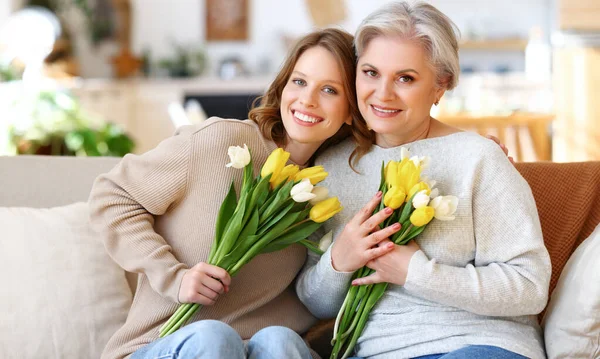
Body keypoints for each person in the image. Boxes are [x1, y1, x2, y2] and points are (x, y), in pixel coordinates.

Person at [88, 28, 372, 359]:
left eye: (329, 90)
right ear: (282, 87)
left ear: (351, 109)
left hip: (260, 350)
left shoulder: (329, 191)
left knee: (282, 342)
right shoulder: (221, 143)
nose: (307, 99)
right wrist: (173, 277)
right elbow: (112, 197)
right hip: (166, 345)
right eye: (299, 82)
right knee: (213, 338)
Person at [296, 2, 551, 359]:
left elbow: (529, 286)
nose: (382, 93)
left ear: (441, 85)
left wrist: (415, 271)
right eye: (370, 72)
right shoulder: (332, 167)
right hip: (379, 351)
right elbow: (315, 302)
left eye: (405, 78)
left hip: (480, 344)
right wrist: (339, 260)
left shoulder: (477, 158)